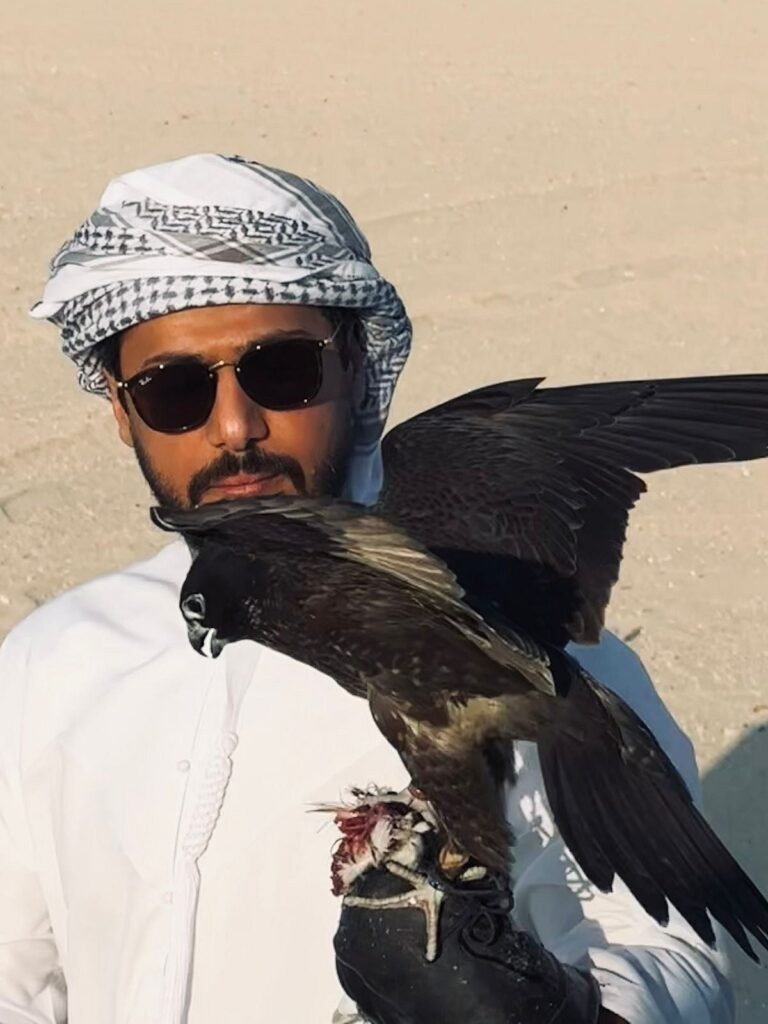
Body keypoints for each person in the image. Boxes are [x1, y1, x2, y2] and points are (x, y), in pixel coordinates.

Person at [0, 153, 734, 1024]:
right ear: (121, 413)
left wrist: (559, 1013)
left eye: (281, 371)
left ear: (354, 365)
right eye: (174, 390)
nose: (235, 427)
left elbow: (680, 953)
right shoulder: (54, 660)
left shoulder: (513, 633)